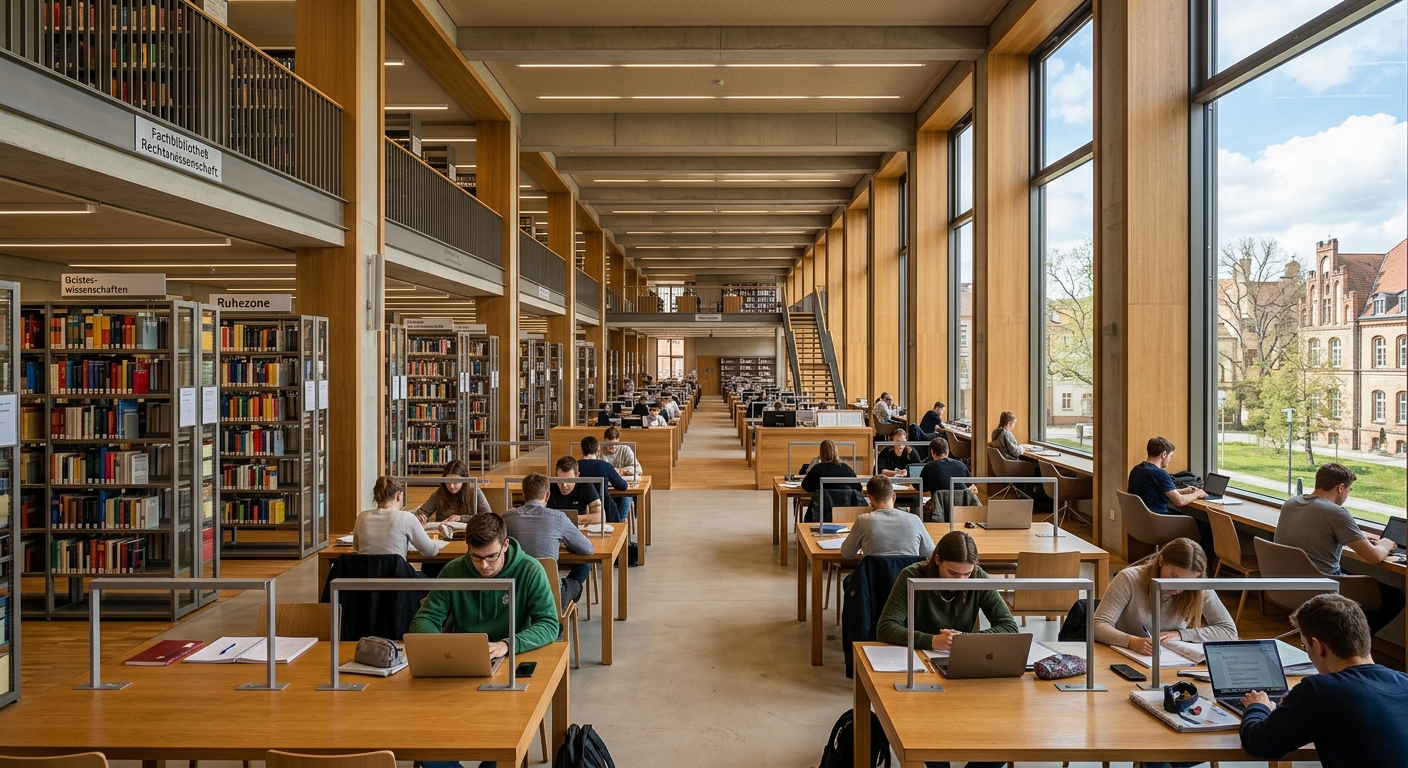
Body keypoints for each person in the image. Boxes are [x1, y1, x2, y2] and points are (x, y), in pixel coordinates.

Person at [410, 513, 559, 768]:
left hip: (510, 664)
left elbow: (549, 624)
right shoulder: (455, 570)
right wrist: (443, 648)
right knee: (421, 739)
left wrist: (507, 644)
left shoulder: (529, 570)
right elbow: (424, 618)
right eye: (476, 557)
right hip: (460, 668)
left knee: (504, 737)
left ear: (505, 545)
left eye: (492, 556)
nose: (484, 566)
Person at [877, 530, 1014, 768]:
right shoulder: (912, 576)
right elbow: (886, 627)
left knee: (1004, 735)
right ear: (937, 559)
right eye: (952, 573)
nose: (959, 581)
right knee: (929, 740)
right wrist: (932, 640)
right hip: (919, 668)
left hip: (962, 665)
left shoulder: (978, 578)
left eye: (966, 574)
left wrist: (967, 639)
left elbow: (1009, 627)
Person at [1238, 594, 1408, 768]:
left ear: (1318, 646)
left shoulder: (1320, 690)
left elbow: (1257, 744)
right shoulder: (1404, 681)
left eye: (1305, 646)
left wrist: (1258, 706)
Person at [1274, 462, 1403, 634]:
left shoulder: (1291, 503)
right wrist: (1385, 544)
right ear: (1341, 487)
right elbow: (1374, 557)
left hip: (1287, 582)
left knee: (1350, 573)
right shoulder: (1336, 513)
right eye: (1349, 490)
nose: (1347, 495)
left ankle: (1333, 635)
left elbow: (1318, 531)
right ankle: (1346, 641)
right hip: (1323, 586)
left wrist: (1360, 537)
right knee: (1394, 598)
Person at [1093, 538, 1236, 654]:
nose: (1179, 587)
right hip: (1121, 654)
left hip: (1169, 658)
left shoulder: (1198, 586)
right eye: (1173, 577)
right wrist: (1131, 641)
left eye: (1188, 582)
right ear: (1161, 561)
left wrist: (1180, 635)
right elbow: (1097, 626)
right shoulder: (1129, 579)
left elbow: (1229, 631)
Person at [502, 472, 593, 605]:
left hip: (516, 591)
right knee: (584, 568)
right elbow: (588, 549)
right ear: (547, 496)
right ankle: (558, 610)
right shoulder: (558, 517)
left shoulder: (506, 517)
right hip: (549, 592)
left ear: (523, 494)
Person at [1126, 436, 1213, 554]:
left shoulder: (1137, 470)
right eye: (1170, 456)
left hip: (1141, 522)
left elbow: (1151, 491)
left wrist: (1183, 490)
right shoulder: (1159, 473)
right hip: (1159, 521)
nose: (1170, 460)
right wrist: (1198, 493)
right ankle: (1201, 569)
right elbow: (1180, 502)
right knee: (1207, 529)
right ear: (1163, 454)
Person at [841, 475, 935, 559]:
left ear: (871, 499)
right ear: (894, 496)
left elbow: (847, 553)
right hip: (906, 577)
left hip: (874, 578)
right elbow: (930, 552)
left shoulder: (863, 521)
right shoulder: (914, 520)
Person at [353, 476, 444, 562]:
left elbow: (356, 547)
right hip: (396, 576)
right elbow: (430, 551)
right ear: (398, 495)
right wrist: (437, 542)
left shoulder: (362, 517)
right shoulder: (406, 518)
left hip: (366, 576)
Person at [414, 459, 491, 524]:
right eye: (448, 482)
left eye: (455, 483)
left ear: (464, 480)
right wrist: (422, 516)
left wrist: (461, 518)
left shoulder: (475, 492)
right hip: (444, 535)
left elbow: (488, 516)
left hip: (469, 535)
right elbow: (423, 511)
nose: (451, 486)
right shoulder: (440, 493)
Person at [579, 436, 631, 523]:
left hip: (581, 508)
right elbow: (623, 486)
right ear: (598, 449)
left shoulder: (575, 466)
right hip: (605, 509)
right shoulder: (605, 466)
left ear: (582, 449)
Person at [546, 456, 603, 525]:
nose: (564, 485)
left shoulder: (585, 485)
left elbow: (600, 516)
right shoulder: (547, 487)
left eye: (569, 480)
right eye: (560, 479)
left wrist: (575, 519)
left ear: (577, 476)